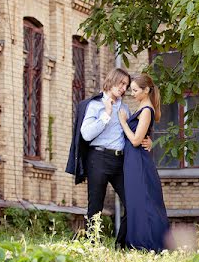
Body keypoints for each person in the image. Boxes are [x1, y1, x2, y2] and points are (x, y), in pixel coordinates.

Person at [65, 67, 150, 247]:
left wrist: (149, 142)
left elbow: (136, 132)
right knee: (95, 206)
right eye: (121, 83)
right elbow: (86, 134)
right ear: (111, 81)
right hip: (98, 159)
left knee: (133, 202)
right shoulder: (94, 105)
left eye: (126, 86)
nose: (123, 88)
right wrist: (106, 114)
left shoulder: (125, 108)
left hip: (120, 161)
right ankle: (92, 244)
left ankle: (122, 244)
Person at [118, 74, 170, 251]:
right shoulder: (142, 106)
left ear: (146, 90)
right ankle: (138, 243)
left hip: (138, 161)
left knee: (143, 201)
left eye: (135, 90)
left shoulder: (146, 109)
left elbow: (135, 140)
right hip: (133, 159)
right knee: (136, 201)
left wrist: (123, 122)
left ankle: (148, 244)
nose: (132, 93)